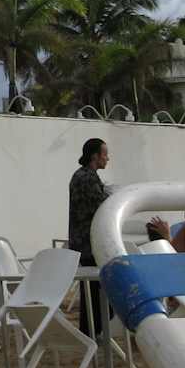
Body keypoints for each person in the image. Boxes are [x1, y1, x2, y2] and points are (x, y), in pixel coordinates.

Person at [67, 137, 110, 336]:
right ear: (95, 156)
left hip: (83, 242)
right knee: (96, 292)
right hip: (89, 244)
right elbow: (102, 206)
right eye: (104, 154)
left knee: (92, 292)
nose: (107, 158)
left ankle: (90, 332)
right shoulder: (87, 178)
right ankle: (91, 332)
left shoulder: (82, 175)